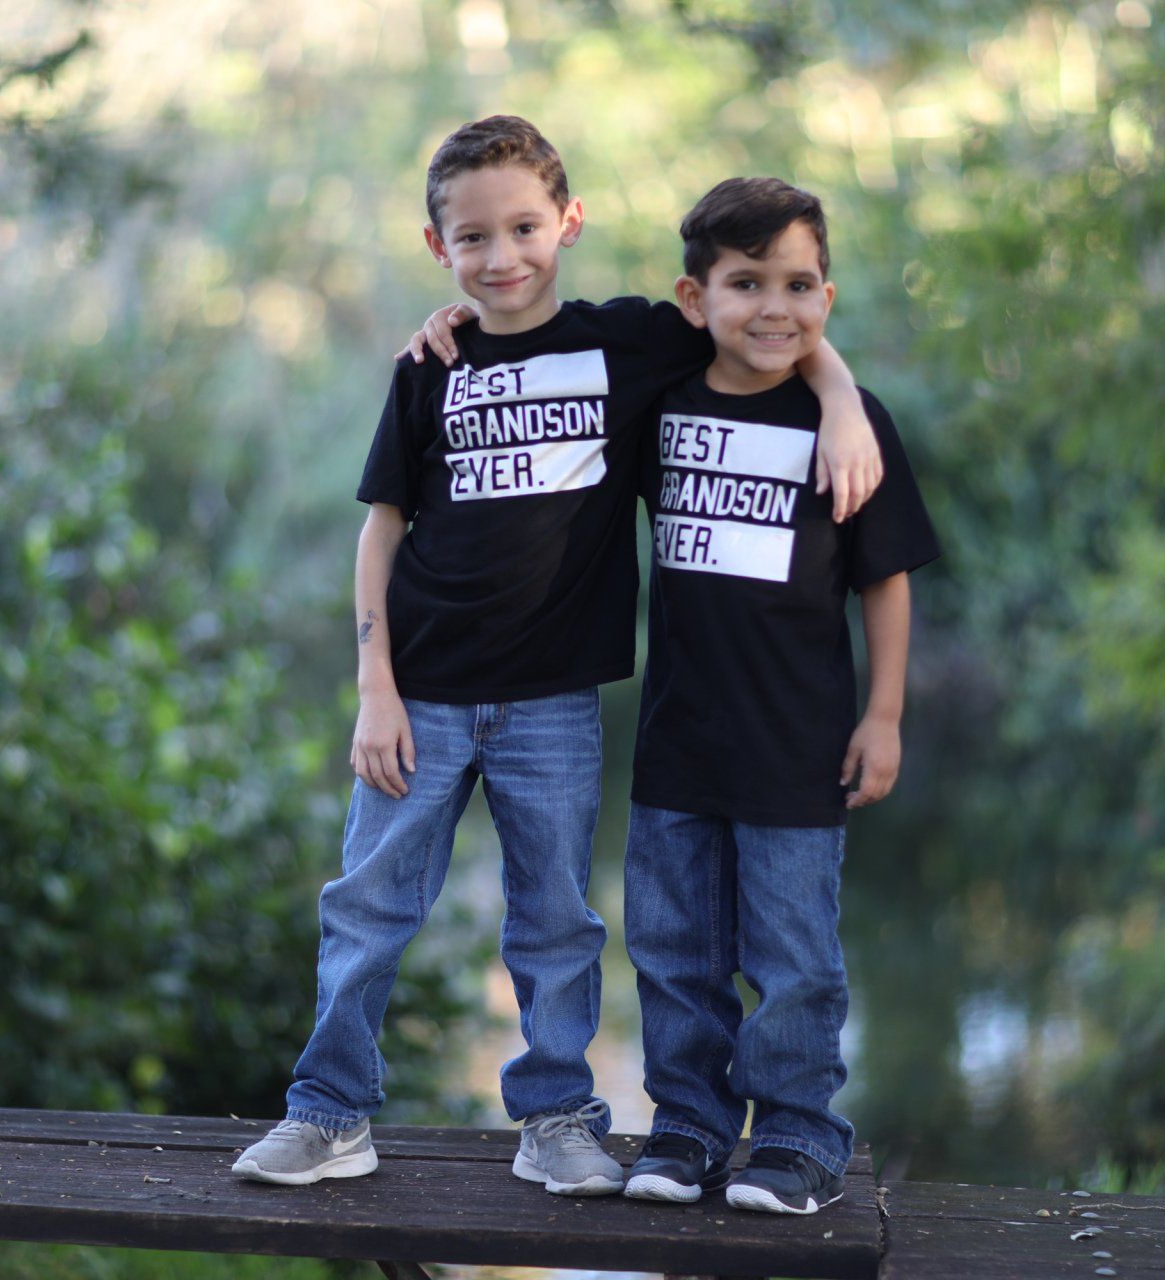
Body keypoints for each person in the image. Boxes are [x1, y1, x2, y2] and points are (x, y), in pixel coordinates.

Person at [233, 119, 883, 1195]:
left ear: (567, 224)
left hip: (551, 703)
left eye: (525, 227)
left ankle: (557, 1118)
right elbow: (382, 528)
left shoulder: (629, 343)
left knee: (555, 922)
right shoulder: (428, 365)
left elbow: (767, 316)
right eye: (475, 236)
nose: (503, 256)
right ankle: (330, 1111)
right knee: (368, 905)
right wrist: (374, 687)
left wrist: (842, 395)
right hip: (423, 695)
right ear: (438, 246)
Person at [619, 177, 940, 1215]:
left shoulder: (847, 423)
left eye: (799, 285)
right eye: (745, 282)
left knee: (795, 959)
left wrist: (883, 714)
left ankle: (799, 1135)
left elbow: (884, 579)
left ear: (828, 297)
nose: (774, 307)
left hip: (798, 744)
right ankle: (689, 1125)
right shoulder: (660, 403)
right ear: (694, 295)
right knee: (673, 952)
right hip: (678, 739)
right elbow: (547, 346)